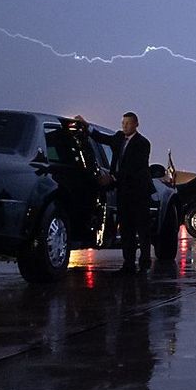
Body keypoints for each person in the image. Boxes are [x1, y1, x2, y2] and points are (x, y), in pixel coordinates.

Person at [78, 112, 155, 274]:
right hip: (123, 191)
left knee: (142, 229)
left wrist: (112, 177)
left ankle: (144, 262)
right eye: (123, 123)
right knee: (126, 228)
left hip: (139, 192)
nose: (124, 126)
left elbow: (135, 167)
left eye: (128, 123)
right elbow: (101, 138)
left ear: (136, 124)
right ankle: (128, 263)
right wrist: (86, 126)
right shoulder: (119, 138)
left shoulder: (142, 143)